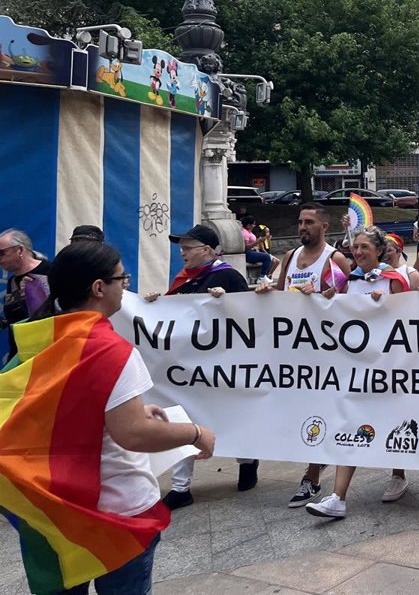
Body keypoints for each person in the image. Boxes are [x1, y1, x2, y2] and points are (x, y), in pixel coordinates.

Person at [0, 241, 216, 595]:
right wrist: (194, 434)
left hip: (57, 509)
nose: (126, 286)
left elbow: (56, 408)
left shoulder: (41, 340)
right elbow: (133, 434)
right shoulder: (110, 349)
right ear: (99, 288)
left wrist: (126, 408)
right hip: (116, 512)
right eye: (122, 278)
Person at [307, 226, 419, 518]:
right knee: (351, 423)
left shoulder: (393, 279)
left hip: (391, 367)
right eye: (355, 247)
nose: (357, 252)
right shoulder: (349, 280)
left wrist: (387, 307)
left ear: (379, 251)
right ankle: (337, 497)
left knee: (396, 421)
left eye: (364, 247)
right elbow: (332, 314)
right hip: (357, 368)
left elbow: (411, 322)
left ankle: (398, 474)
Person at [142, 224, 251, 508]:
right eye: (182, 247)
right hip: (187, 369)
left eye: (188, 247)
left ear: (206, 250)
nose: (183, 252)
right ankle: (180, 487)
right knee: (182, 418)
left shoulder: (227, 276)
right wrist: (155, 305)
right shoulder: (182, 280)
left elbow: (250, 317)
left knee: (233, 415)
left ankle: (248, 459)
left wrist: (226, 303)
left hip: (221, 366)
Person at [256, 203, 353, 506]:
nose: (302, 227)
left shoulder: (334, 259)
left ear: (324, 226)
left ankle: (312, 476)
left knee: (320, 409)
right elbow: (283, 293)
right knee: (300, 408)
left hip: (326, 349)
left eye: (309, 222)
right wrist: (267, 292)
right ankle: (314, 464)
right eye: (300, 222)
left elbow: (351, 300)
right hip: (295, 346)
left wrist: (327, 298)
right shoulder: (289, 257)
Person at [1, 229, 53, 359]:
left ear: (20, 250)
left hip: (46, 352)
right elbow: (15, 319)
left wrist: (36, 293)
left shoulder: (51, 272)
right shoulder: (12, 281)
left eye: (2, 253)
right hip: (19, 354)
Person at [240, 215, 274, 280]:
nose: (254, 226)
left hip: (252, 251)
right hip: (248, 254)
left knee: (270, 258)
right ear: (248, 225)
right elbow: (246, 247)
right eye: (253, 224)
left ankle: (266, 276)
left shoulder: (248, 231)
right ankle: (262, 277)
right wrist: (258, 241)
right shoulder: (245, 233)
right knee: (267, 257)